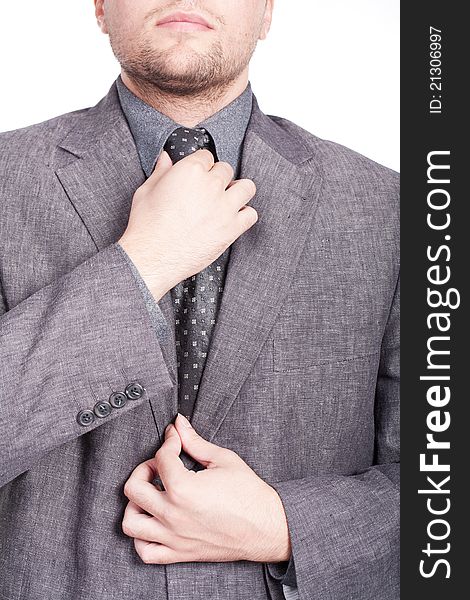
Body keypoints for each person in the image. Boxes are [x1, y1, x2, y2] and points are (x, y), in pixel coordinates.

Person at [0, 1, 400, 599]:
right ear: (102, 7)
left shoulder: (393, 210)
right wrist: (142, 265)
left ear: (266, 12)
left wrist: (287, 526)